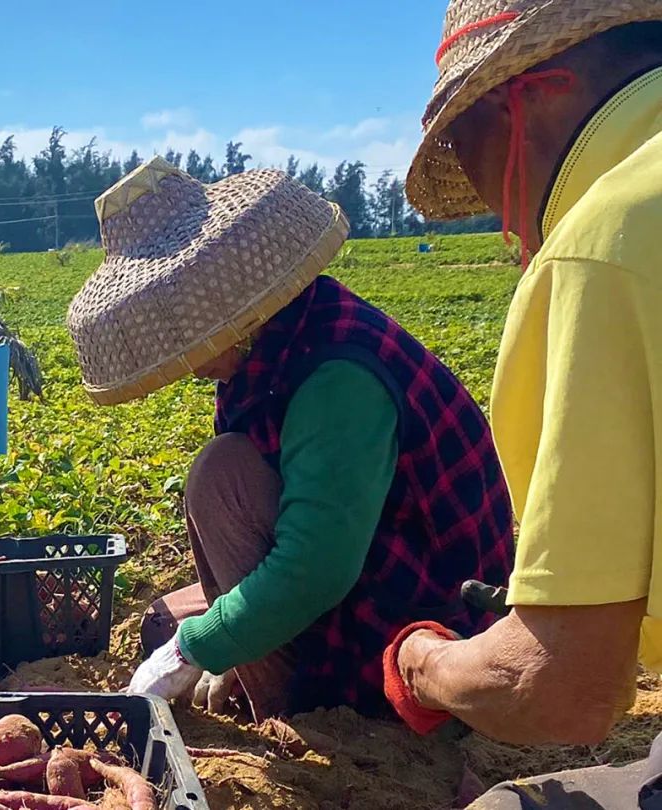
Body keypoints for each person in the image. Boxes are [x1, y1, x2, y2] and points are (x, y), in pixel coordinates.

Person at [66, 156, 514, 722]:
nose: (188, 361)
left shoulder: (337, 378)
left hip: (437, 622)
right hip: (374, 556)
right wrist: (234, 644)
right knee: (227, 470)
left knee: (221, 478)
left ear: (233, 309)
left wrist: (192, 648)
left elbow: (316, 565)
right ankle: (281, 676)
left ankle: (307, 714)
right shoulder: (276, 344)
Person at [384, 1, 662, 805]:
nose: (498, 211)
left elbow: (563, 688)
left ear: (538, 91)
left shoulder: (603, 245)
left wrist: (423, 664)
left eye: (469, 144)